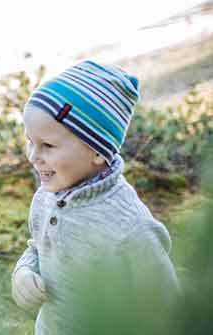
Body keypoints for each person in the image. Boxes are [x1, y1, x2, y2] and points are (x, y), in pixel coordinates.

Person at [11, 60, 180, 334]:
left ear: (97, 150)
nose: (33, 156)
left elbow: (167, 309)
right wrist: (24, 271)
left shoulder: (131, 228)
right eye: (30, 141)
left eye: (48, 146)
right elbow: (37, 248)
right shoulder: (47, 196)